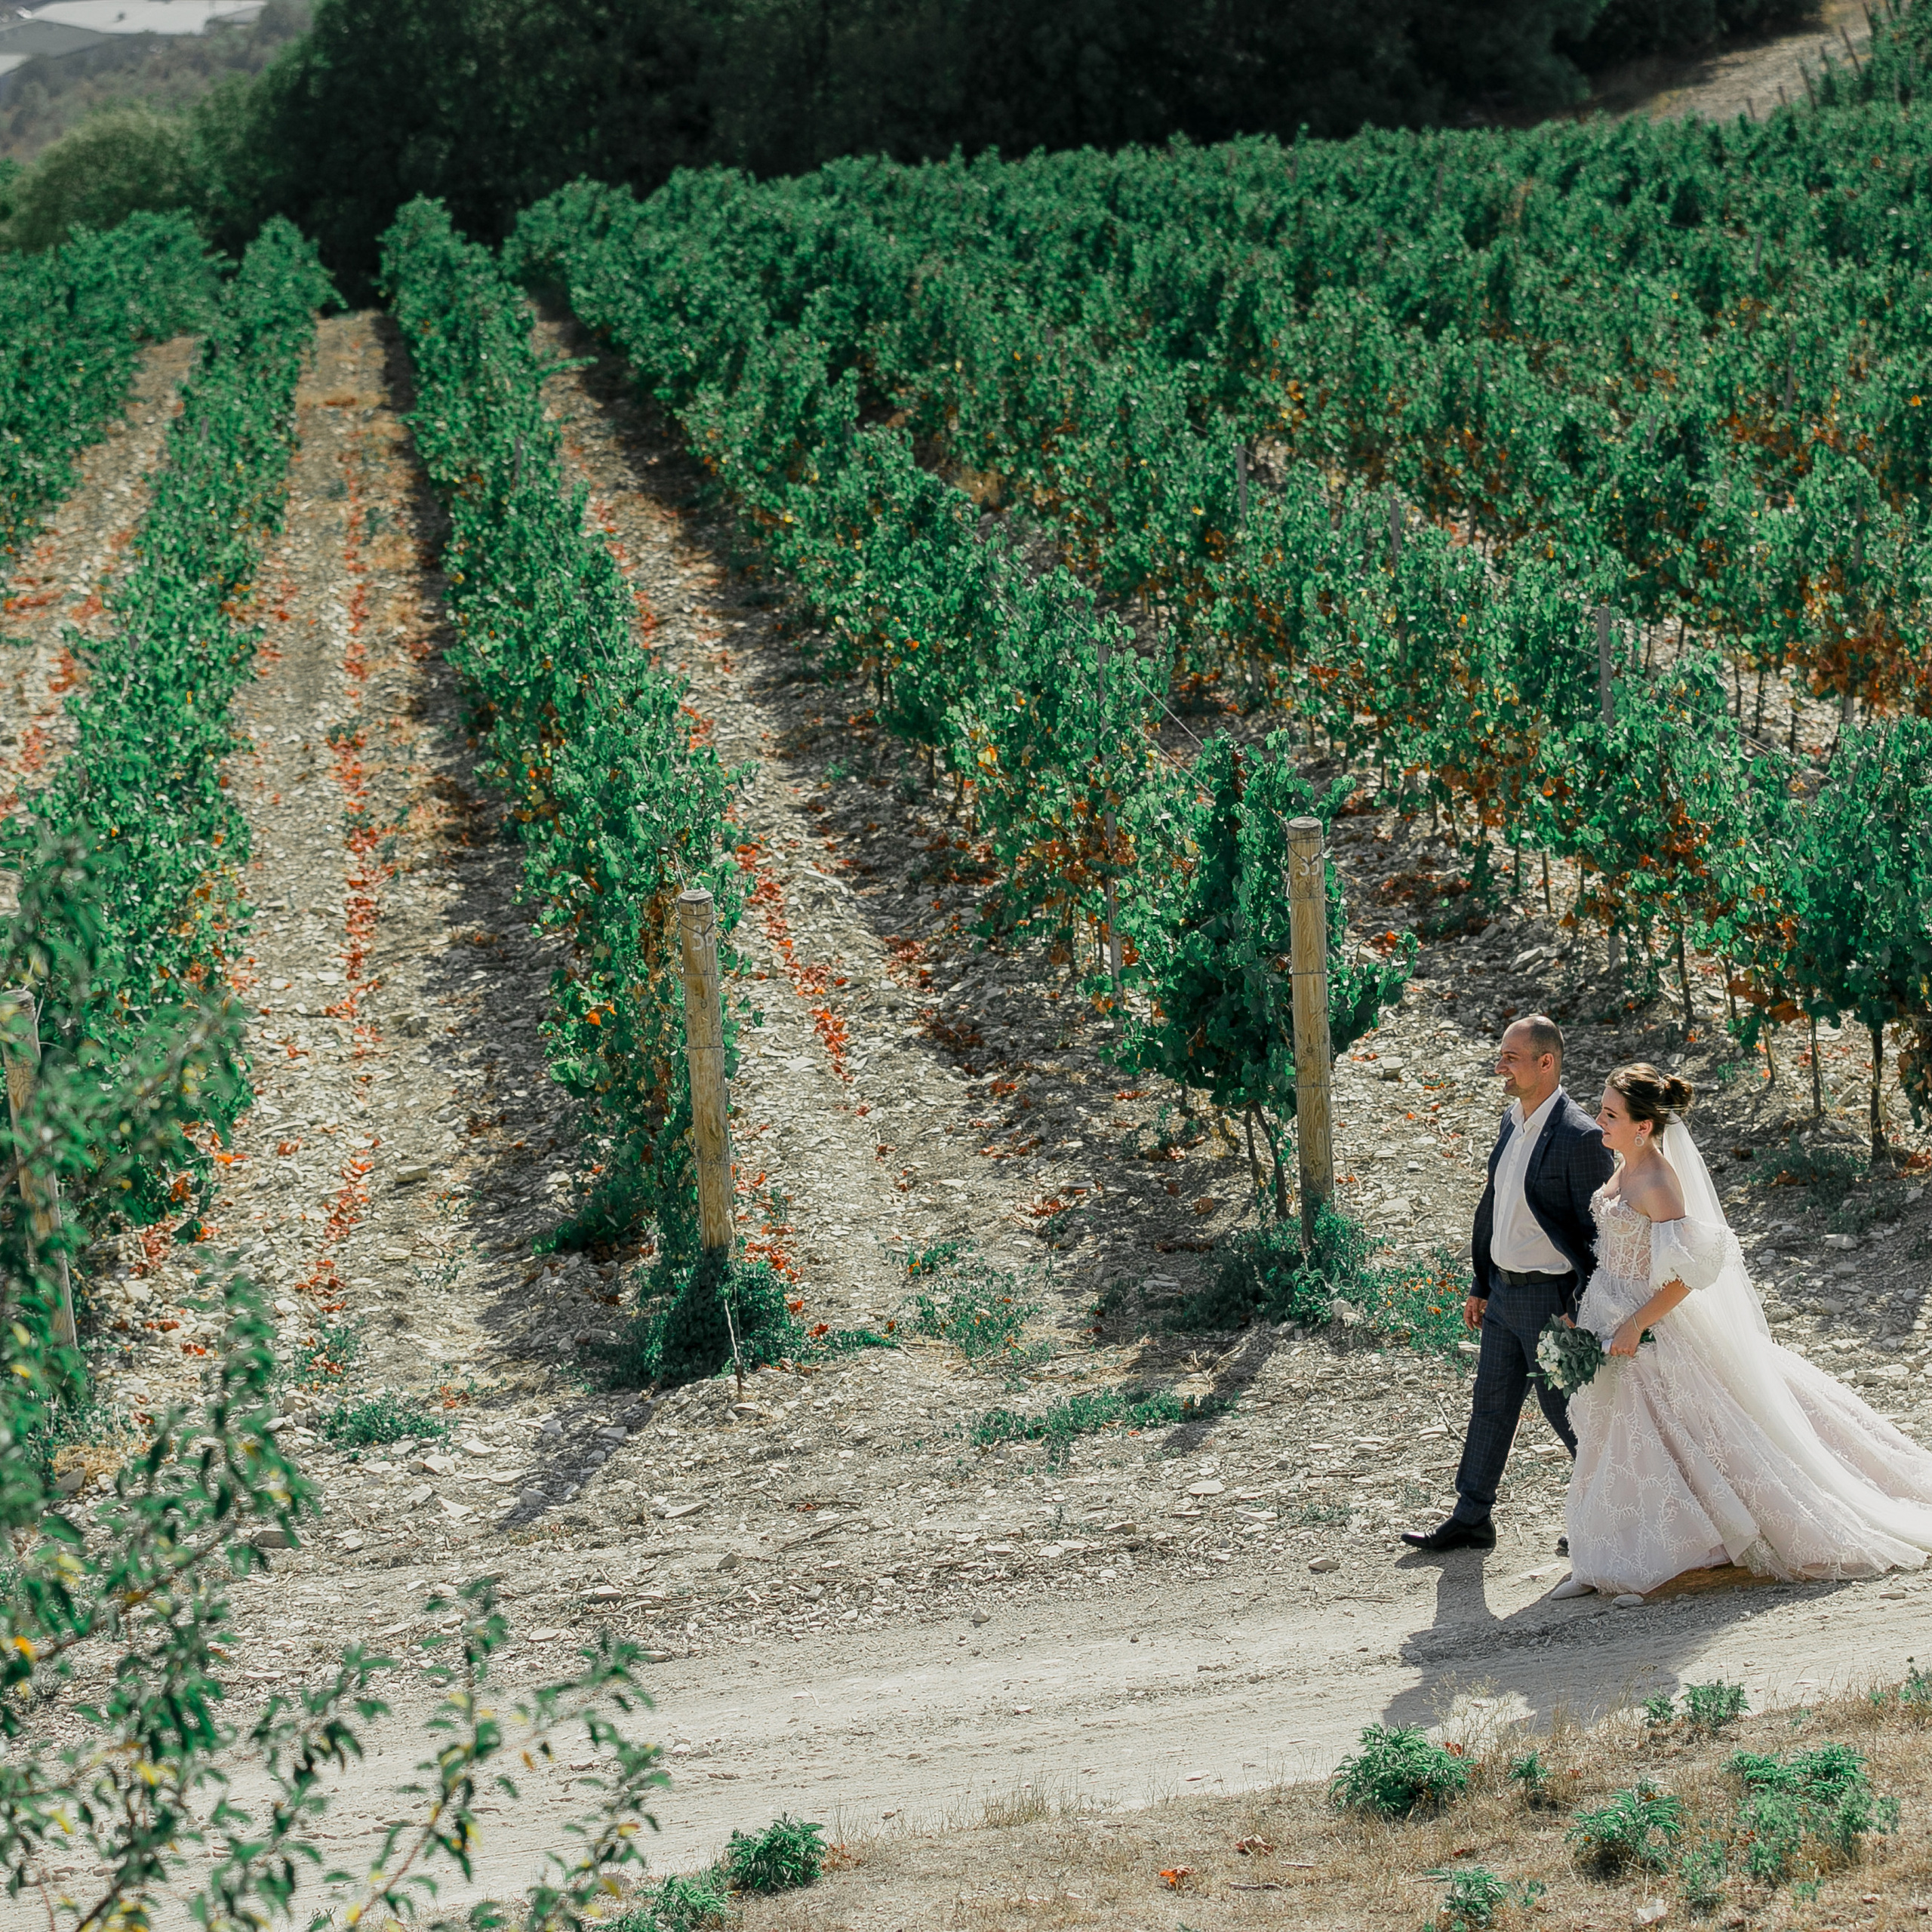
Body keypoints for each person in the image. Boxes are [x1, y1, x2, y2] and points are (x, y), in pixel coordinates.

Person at [1552, 1065, 1932, 1598]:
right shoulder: (1622, 1165)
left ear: (1642, 1127)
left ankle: (1653, 1557)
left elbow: (1688, 1274)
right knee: (1618, 1438)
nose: (1599, 1120)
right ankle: (1603, 1558)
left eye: (1611, 1114)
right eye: (1603, 1109)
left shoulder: (1659, 1180)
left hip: (1650, 1322)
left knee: (1678, 1434)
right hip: (1609, 1312)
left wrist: (1636, 1324)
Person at [1402, 1015, 1614, 1554]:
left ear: (1547, 1062)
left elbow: (1600, 1238)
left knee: (1566, 1414)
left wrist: (1577, 1306)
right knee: (1491, 1404)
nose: (1500, 1065)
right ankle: (1472, 1517)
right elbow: (1495, 1207)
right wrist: (1481, 1281)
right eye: (1502, 1054)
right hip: (1502, 1293)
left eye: (1511, 1057)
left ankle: (1608, 1514)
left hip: (1551, 1301)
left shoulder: (1581, 1135)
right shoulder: (1510, 1119)